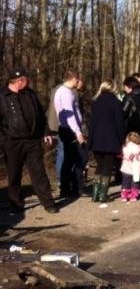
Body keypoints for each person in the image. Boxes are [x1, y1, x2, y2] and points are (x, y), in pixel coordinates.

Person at [0, 67, 58, 213]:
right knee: (14, 173)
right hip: (12, 142)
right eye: (25, 79)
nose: (28, 81)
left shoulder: (30, 94)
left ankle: (48, 202)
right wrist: (4, 139)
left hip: (32, 141)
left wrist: (46, 132)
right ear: (18, 81)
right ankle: (15, 204)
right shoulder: (3, 96)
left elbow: (40, 115)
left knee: (38, 171)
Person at [87, 80, 125, 203]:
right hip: (111, 139)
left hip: (96, 139)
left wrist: (90, 141)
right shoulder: (116, 103)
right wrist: (122, 140)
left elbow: (91, 123)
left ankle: (95, 195)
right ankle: (103, 195)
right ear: (113, 88)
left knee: (99, 166)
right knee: (107, 167)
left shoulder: (95, 102)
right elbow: (120, 124)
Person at [53, 70, 85, 198]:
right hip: (69, 130)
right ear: (74, 79)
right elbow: (69, 115)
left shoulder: (61, 90)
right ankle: (68, 188)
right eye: (77, 79)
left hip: (66, 128)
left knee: (69, 159)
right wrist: (77, 132)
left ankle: (67, 188)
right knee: (71, 160)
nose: (78, 82)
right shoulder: (66, 93)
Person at [119, 131, 140, 202]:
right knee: (135, 183)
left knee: (125, 183)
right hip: (136, 170)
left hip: (126, 169)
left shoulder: (125, 149)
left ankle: (124, 196)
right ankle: (133, 196)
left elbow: (123, 157)